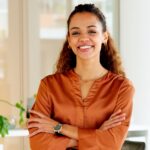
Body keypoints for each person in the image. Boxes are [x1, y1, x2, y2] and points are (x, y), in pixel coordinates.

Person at [28, 4, 134, 150]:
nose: (84, 38)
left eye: (91, 31)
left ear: (104, 37)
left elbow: (112, 143)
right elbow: (38, 144)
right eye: (76, 33)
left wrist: (59, 128)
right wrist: (96, 136)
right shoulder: (49, 85)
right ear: (69, 41)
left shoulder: (122, 88)